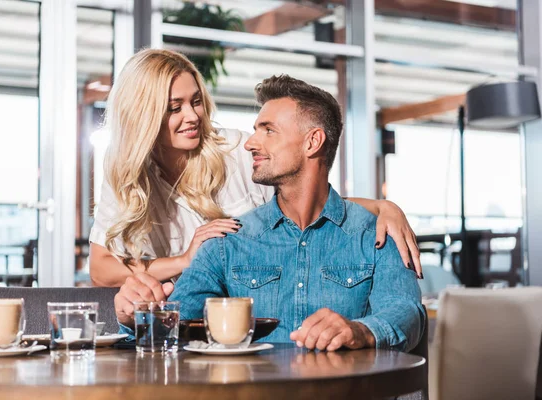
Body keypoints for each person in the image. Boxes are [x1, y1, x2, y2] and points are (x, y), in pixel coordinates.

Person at [114, 75, 424, 352]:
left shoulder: (376, 234)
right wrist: (135, 316)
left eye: (268, 130)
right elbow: (176, 328)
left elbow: (406, 312)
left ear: (313, 142)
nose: (250, 143)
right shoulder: (226, 241)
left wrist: (360, 331)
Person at [90, 49, 422, 288]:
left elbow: (310, 201)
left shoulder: (236, 150)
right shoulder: (126, 172)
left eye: (196, 101)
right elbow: (101, 268)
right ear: (143, 117)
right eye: (174, 108)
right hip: (181, 317)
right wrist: (182, 261)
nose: (192, 116)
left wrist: (381, 207)